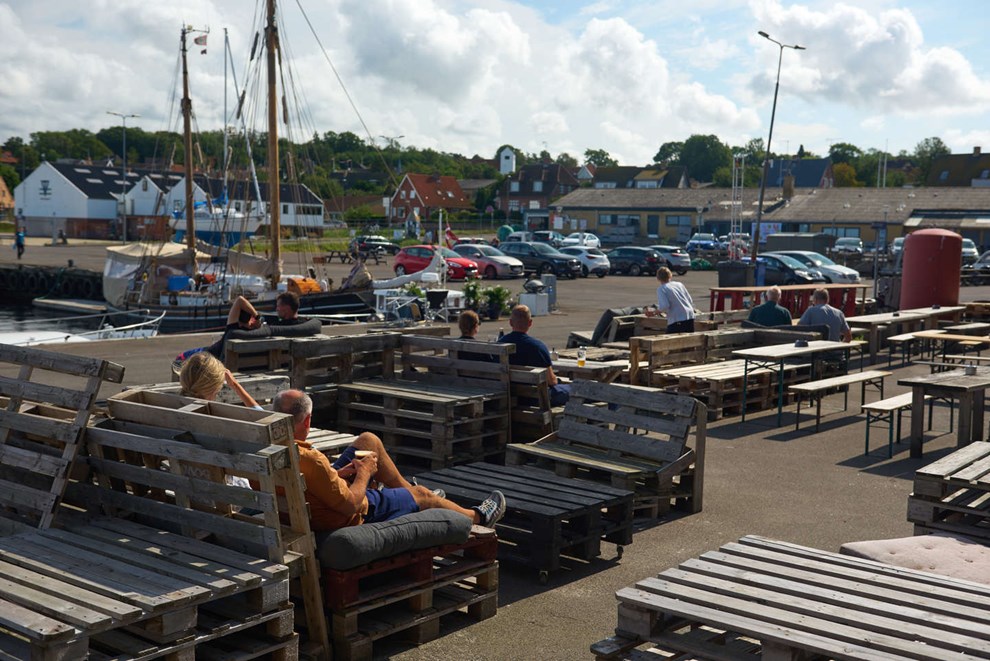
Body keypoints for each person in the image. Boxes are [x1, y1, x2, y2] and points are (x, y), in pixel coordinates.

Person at [272, 389, 506, 531]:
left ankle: (409, 494)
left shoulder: (269, 447)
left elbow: (311, 481)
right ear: (307, 421)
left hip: (311, 500)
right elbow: (350, 505)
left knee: (368, 441)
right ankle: (478, 517)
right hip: (342, 515)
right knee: (423, 494)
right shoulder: (311, 459)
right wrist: (364, 472)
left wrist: (337, 475)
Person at [498, 304, 570, 406]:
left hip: (509, 396)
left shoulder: (499, 346)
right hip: (536, 398)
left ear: (510, 323)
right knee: (579, 391)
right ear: (530, 323)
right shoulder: (538, 347)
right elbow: (551, 381)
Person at [173, 295, 262, 366]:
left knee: (179, 359)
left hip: (207, 354)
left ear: (237, 318)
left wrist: (256, 316)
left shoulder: (233, 329)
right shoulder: (255, 331)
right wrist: (257, 322)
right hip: (214, 355)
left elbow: (239, 300)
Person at [179, 351, 262, 409]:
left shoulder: (172, 407)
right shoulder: (215, 417)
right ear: (214, 390)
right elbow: (262, 417)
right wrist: (235, 385)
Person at [648, 267, 695, 333]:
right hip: (689, 316)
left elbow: (665, 306)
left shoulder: (661, 289)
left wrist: (654, 312)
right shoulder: (679, 284)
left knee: (670, 341)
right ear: (670, 275)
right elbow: (689, 300)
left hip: (677, 318)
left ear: (658, 278)